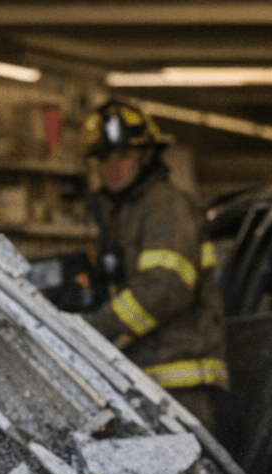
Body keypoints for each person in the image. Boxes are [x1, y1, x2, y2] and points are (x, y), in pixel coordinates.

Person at [81, 100, 228, 431]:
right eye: (104, 159)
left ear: (146, 156)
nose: (113, 167)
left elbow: (164, 287)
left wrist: (94, 329)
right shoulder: (123, 212)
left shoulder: (165, 207)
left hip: (179, 381)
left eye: (123, 157)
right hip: (148, 379)